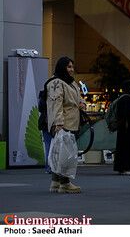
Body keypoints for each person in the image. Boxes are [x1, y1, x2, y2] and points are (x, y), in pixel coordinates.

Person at [47, 56, 86, 194]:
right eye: (69, 67)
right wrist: (58, 123)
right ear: (62, 67)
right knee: (63, 155)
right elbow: (55, 104)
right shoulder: (56, 83)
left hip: (71, 124)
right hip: (63, 124)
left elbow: (79, 98)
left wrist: (83, 104)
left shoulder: (71, 83)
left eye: (72, 67)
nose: (71, 70)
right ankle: (65, 184)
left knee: (61, 153)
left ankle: (56, 182)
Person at [114, 80, 130, 175]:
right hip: (127, 128)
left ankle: (122, 167)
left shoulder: (122, 98)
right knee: (127, 147)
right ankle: (126, 167)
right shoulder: (128, 99)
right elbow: (128, 113)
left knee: (122, 147)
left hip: (123, 128)